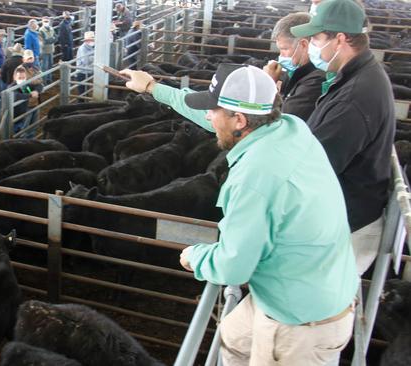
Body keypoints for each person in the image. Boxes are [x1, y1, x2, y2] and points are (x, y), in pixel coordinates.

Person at [121, 64, 358, 365]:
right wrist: (154, 87)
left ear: (240, 120)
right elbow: (215, 121)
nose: (207, 117)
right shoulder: (290, 128)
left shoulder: (253, 179)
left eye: (213, 110)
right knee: (233, 337)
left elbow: (233, 267)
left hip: (300, 322)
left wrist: (197, 257)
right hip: (318, 279)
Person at [291, 0, 395, 274]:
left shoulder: (354, 98)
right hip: (348, 214)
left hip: (346, 225)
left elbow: (315, 168)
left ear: (339, 39)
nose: (311, 44)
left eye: (315, 37)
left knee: (310, 307)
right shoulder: (358, 76)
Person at [262, 12, 325, 121]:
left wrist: (269, 84)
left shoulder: (316, 81)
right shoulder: (295, 70)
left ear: (304, 45)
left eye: (285, 49)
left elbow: (285, 120)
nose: (281, 56)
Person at [10, 66, 42, 137]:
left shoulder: (27, 84)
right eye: (19, 78)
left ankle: (31, 139)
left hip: (29, 108)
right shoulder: (11, 87)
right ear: (14, 77)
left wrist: (36, 91)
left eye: (23, 78)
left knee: (33, 126)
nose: (22, 80)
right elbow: (16, 96)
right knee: (22, 131)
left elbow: (39, 86)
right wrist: (30, 95)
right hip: (19, 115)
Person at [76, 31, 95, 98]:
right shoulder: (82, 48)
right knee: (82, 92)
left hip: (89, 71)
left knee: (87, 90)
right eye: (90, 40)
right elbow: (85, 61)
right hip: (82, 72)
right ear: (86, 40)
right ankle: (80, 103)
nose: (92, 41)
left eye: (92, 40)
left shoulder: (93, 47)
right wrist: (95, 57)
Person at [39, 16, 57, 83]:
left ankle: (49, 79)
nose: (46, 22)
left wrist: (50, 40)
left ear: (49, 22)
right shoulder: (41, 30)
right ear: (42, 22)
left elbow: (56, 37)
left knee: (50, 65)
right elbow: (43, 41)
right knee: (44, 67)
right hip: (44, 51)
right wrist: (51, 40)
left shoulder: (51, 29)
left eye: (47, 21)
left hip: (51, 50)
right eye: (45, 21)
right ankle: (44, 81)